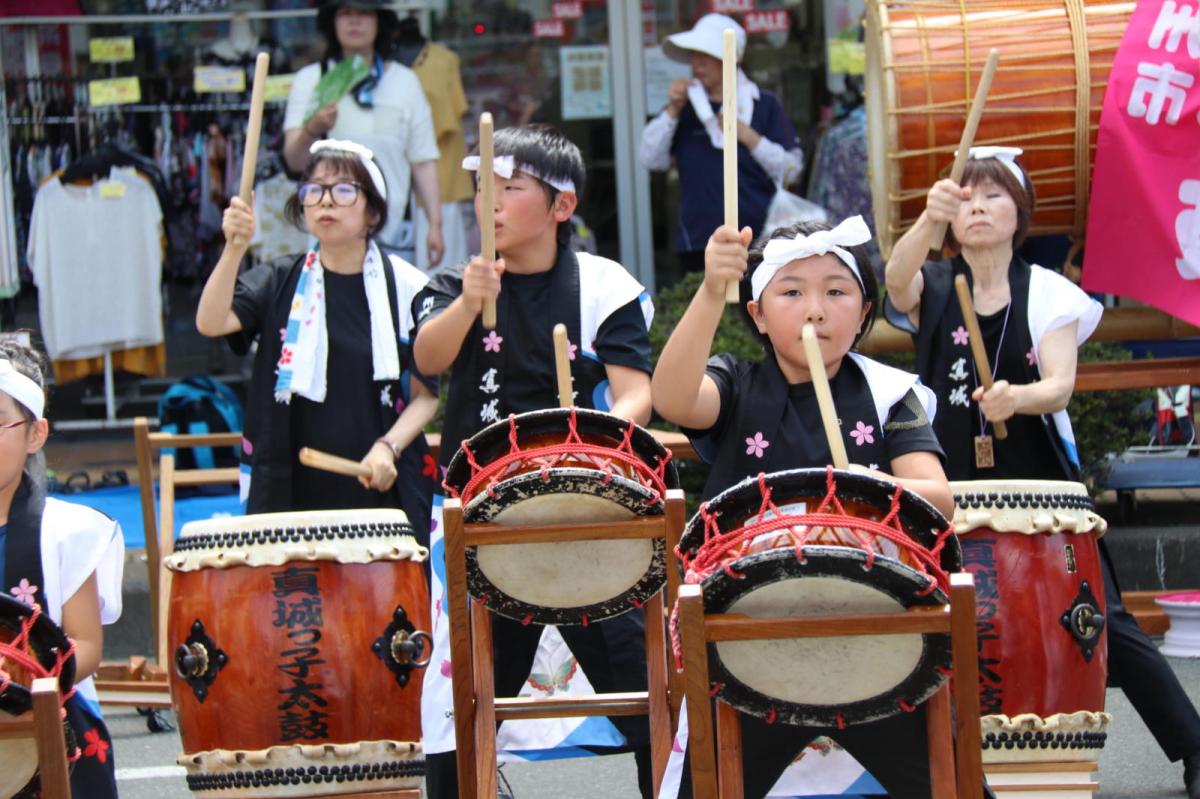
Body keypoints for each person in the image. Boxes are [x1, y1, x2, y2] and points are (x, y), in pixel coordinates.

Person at [884, 146, 1200, 799]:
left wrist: (1015, 397)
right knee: (934, 613)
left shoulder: (1048, 290)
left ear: (1020, 211)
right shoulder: (938, 284)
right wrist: (925, 220)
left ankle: (1193, 746)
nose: (976, 206)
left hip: (1040, 484)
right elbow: (895, 281)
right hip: (946, 479)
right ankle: (925, 764)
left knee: (1101, 615)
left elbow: (1057, 385)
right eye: (964, 197)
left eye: (992, 194)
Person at [652, 216, 954, 798]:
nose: (815, 309)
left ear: (864, 312)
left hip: (870, 630)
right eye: (791, 292)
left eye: (836, 292)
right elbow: (672, 398)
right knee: (712, 784)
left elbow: (938, 498)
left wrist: (874, 485)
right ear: (758, 314)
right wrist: (714, 289)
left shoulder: (891, 394)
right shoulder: (736, 385)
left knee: (943, 780)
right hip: (751, 630)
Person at [412, 124, 656, 799]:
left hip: (587, 515)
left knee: (648, 687)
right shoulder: (453, 284)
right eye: (481, 187)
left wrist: (597, 435)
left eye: (509, 188)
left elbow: (638, 391)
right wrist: (468, 298)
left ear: (561, 206)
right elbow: (429, 364)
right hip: (481, 520)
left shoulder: (603, 284)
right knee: (462, 702)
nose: (488, 200)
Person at [196, 139, 438, 548]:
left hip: (380, 481)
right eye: (314, 190)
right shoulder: (278, 280)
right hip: (291, 485)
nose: (325, 201)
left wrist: (387, 448)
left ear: (373, 211)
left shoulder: (407, 286)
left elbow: (427, 394)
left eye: (343, 190)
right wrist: (235, 249)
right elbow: (211, 321)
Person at [0, 335, 124, 799]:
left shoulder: (68, 531)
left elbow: (87, 645)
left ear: (36, 434)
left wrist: (28, 676)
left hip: (55, 712)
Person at [283, 0, 444, 268]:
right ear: (332, 22)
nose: (354, 21)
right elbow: (295, 161)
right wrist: (313, 129)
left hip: (392, 234)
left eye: (364, 13)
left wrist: (435, 224)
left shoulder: (405, 81)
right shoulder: (311, 80)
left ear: (379, 22)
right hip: (328, 233)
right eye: (346, 13)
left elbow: (423, 161)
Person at [639, 13, 803, 274]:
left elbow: (792, 167)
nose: (697, 63)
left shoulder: (764, 104)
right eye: (694, 55)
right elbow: (651, 158)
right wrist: (672, 109)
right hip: (698, 240)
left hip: (761, 241)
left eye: (706, 55)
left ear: (731, 59)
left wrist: (747, 135)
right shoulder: (686, 106)